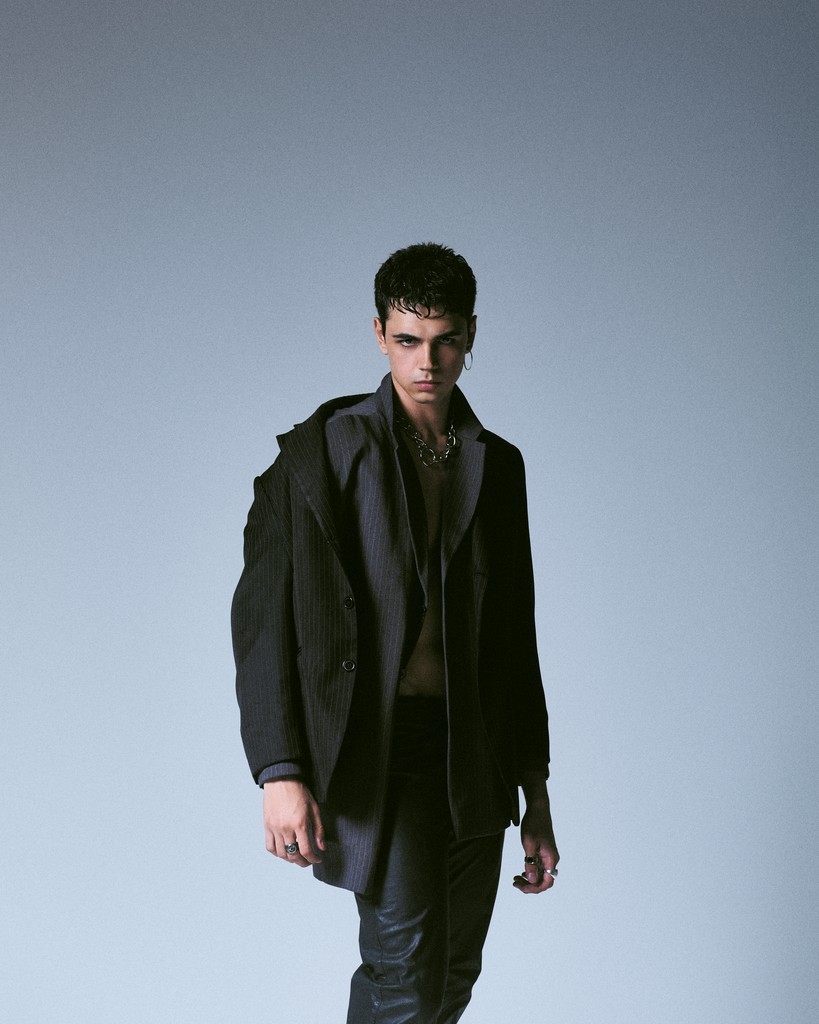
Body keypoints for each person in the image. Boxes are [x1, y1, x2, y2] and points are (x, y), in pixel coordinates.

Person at [232, 242, 558, 1023]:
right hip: (380, 753)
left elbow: (514, 641)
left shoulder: (497, 467)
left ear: (470, 336)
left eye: (445, 341)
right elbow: (262, 621)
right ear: (379, 333)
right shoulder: (319, 456)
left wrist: (536, 793)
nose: (427, 362)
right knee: (405, 975)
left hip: (473, 753)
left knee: (449, 977)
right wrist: (279, 769)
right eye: (408, 339)